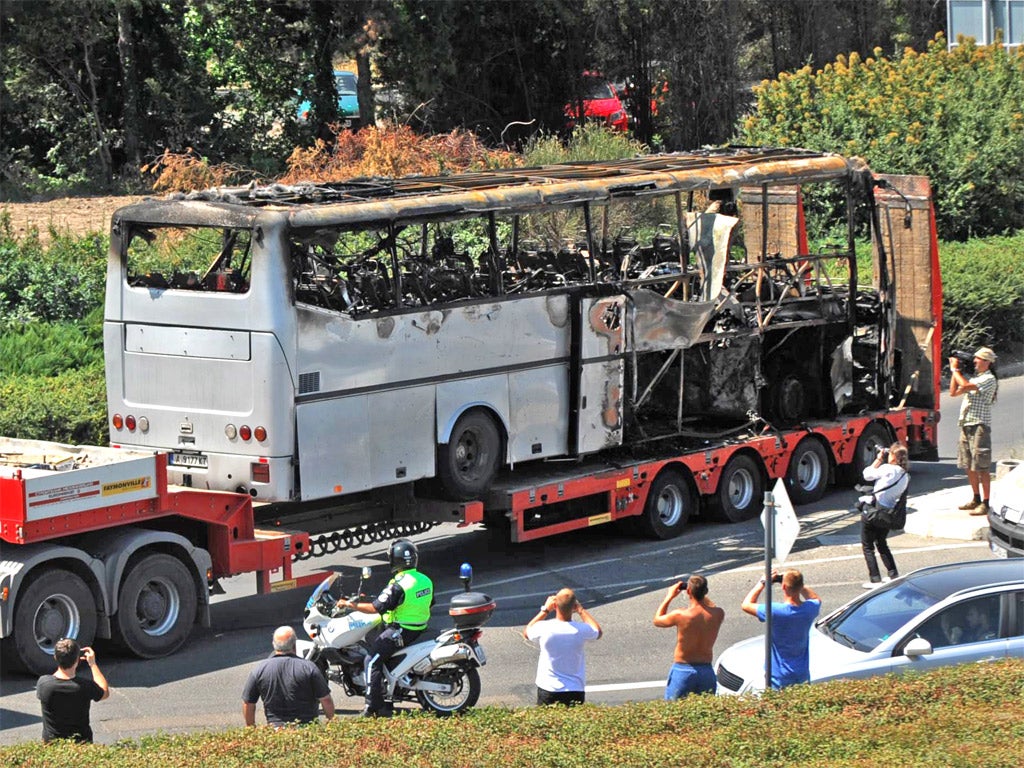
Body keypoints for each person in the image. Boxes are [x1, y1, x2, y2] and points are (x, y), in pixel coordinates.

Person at [336, 538, 433, 717]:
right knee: (380, 652)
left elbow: (375, 608)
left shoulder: (399, 584)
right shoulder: (424, 579)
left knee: (371, 660)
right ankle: (387, 694)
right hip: (418, 627)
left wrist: (349, 605)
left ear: (394, 560)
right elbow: (428, 602)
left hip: (401, 629)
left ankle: (374, 706)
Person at [741, 569, 821, 690]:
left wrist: (762, 582)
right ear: (800, 586)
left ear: (783, 586)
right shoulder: (810, 609)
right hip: (802, 673)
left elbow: (746, 605)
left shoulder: (775, 611)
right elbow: (816, 598)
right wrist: (798, 584)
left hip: (778, 676)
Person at [242, 625, 335, 727]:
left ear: (274, 645)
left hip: (276, 730)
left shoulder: (259, 669)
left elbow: (248, 703)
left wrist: (251, 729)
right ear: (294, 645)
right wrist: (330, 724)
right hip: (307, 728)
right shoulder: (309, 667)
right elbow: (326, 699)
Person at [522, 587, 602, 705]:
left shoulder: (544, 628)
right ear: (574, 607)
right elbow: (598, 631)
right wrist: (581, 610)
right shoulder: (581, 630)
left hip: (548, 688)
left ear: (555, 606)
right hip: (575, 689)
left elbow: (527, 632)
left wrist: (545, 610)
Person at [652, 574, 725, 699]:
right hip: (706, 671)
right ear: (706, 591)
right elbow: (711, 605)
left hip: (683, 670)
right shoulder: (718, 614)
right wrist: (700, 593)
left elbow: (657, 620)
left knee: (674, 713)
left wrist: (669, 596)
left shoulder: (681, 615)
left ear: (689, 591)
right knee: (706, 713)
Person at [949, 346, 998, 516]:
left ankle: (985, 502)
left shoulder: (988, 379)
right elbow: (954, 392)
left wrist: (955, 369)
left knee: (981, 466)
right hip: (967, 424)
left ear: (987, 362)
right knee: (968, 465)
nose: (974, 361)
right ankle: (975, 498)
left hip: (979, 426)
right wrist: (955, 372)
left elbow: (964, 384)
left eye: (977, 359)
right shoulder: (976, 378)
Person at [36, 638, 110, 743]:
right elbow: (105, 692)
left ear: (55, 657)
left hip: (51, 745)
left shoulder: (43, 683)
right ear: (77, 660)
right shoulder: (85, 686)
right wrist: (93, 664)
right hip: (81, 743)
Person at [859, 442, 909, 588]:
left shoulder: (887, 468)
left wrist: (879, 459)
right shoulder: (905, 475)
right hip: (888, 514)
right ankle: (893, 574)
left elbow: (866, 474)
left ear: (893, 456)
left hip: (875, 511)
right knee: (882, 543)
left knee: (867, 545)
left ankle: (875, 579)